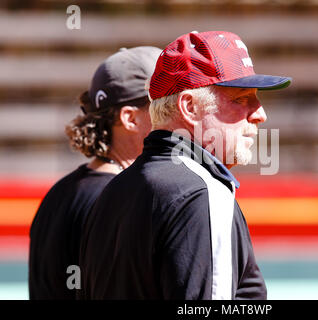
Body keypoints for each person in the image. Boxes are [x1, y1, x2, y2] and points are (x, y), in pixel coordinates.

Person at [78, 31, 291, 300]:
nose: (260, 114)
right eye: (241, 98)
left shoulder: (113, 190)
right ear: (189, 107)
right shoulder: (203, 194)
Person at [28, 46, 162, 299]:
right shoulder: (118, 200)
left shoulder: (61, 191)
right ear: (130, 119)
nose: (177, 115)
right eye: (164, 106)